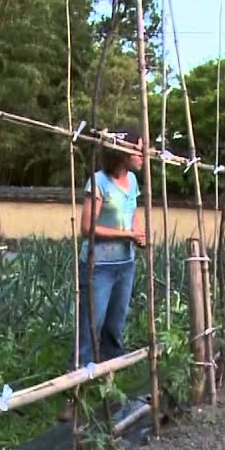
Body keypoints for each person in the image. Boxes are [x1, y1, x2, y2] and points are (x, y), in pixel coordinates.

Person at [59, 128, 147, 421]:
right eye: (138, 150)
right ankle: (74, 396)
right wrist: (127, 234)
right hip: (99, 267)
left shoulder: (133, 181)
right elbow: (87, 228)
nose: (143, 156)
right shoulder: (98, 182)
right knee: (89, 331)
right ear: (123, 151)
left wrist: (138, 235)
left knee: (113, 331)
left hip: (125, 265)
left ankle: (109, 392)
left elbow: (133, 214)